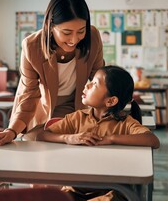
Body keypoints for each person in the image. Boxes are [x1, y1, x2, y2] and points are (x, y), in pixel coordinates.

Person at [0, 0, 105, 147]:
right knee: (38, 148)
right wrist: (11, 131)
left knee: (83, 145)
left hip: (78, 106)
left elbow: (101, 79)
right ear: (49, 26)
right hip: (42, 109)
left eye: (80, 31)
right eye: (66, 32)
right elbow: (29, 96)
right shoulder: (32, 47)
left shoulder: (92, 37)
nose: (74, 40)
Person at [37, 65, 160, 201]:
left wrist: (111, 139)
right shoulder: (77, 118)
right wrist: (68, 138)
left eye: (95, 84)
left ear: (111, 101)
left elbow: (152, 140)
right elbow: (42, 136)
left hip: (113, 189)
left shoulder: (125, 123)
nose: (87, 86)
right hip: (77, 186)